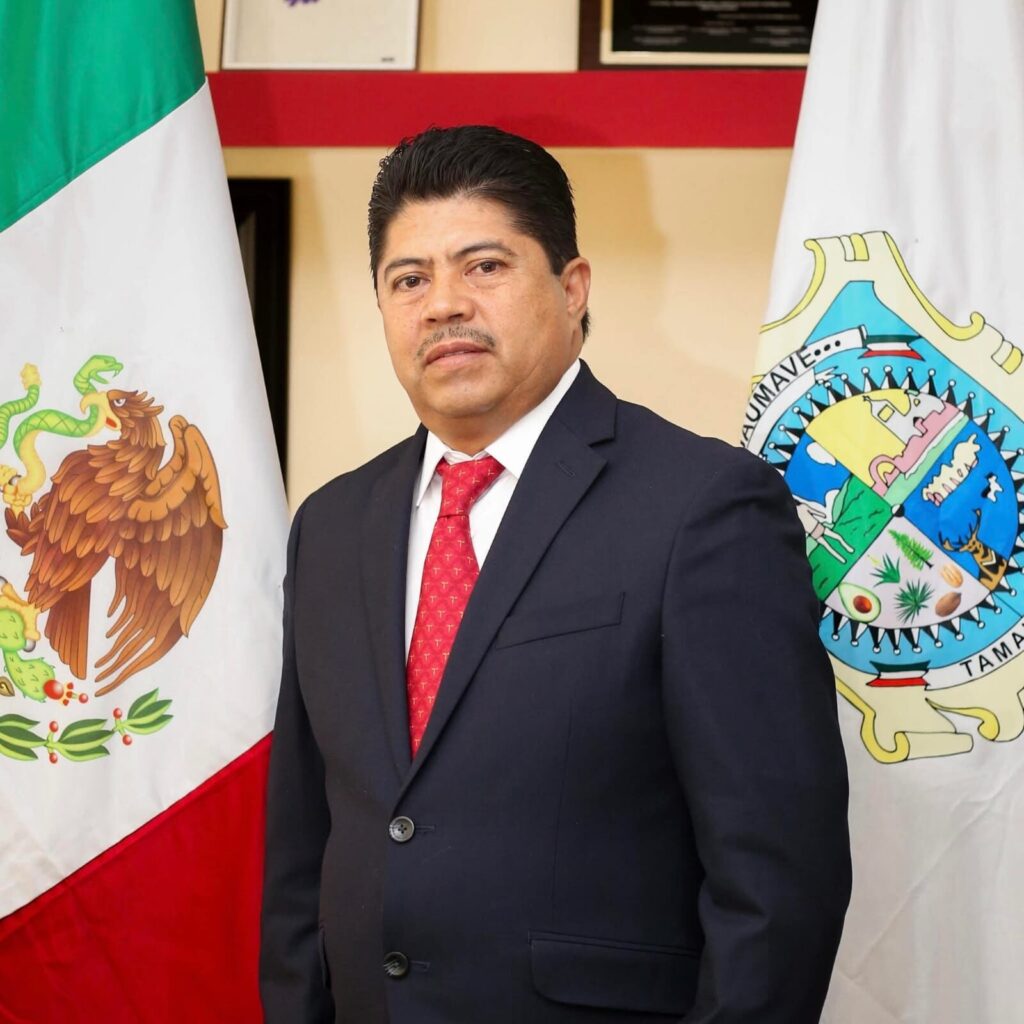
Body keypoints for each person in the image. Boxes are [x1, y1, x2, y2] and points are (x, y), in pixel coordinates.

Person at [259, 125, 851, 1024]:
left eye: (484, 266)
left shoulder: (703, 506)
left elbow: (777, 882)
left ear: (572, 288)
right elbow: (304, 848)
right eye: (408, 279)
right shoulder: (332, 526)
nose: (443, 305)